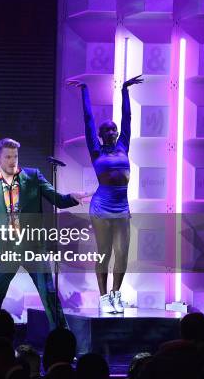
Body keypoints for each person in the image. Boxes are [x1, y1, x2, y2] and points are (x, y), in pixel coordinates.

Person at [0, 138, 88, 329]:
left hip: (33, 248)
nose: (12, 161)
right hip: (4, 250)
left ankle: (63, 339)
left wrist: (72, 198)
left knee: (49, 296)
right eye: (8, 157)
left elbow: (58, 200)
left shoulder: (33, 176)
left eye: (15, 156)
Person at [67, 75, 143, 314]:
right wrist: (84, 91)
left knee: (122, 254)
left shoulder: (123, 146)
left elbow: (128, 118)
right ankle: (103, 298)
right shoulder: (96, 151)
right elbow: (88, 119)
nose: (111, 131)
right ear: (100, 135)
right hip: (101, 207)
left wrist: (125, 91)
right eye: (107, 129)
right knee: (105, 252)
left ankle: (116, 295)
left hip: (122, 208)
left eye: (114, 129)